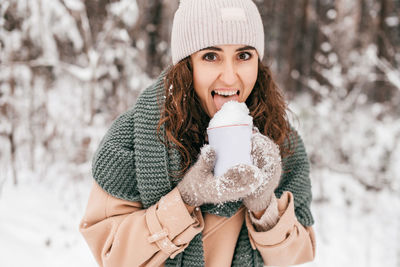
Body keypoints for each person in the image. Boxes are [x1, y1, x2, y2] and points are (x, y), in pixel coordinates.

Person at [79, 0, 316, 266]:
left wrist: (264, 207)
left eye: (243, 56)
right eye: (211, 56)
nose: (229, 77)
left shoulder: (282, 141)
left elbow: (299, 252)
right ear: (187, 65)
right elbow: (111, 254)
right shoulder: (132, 141)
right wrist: (185, 200)